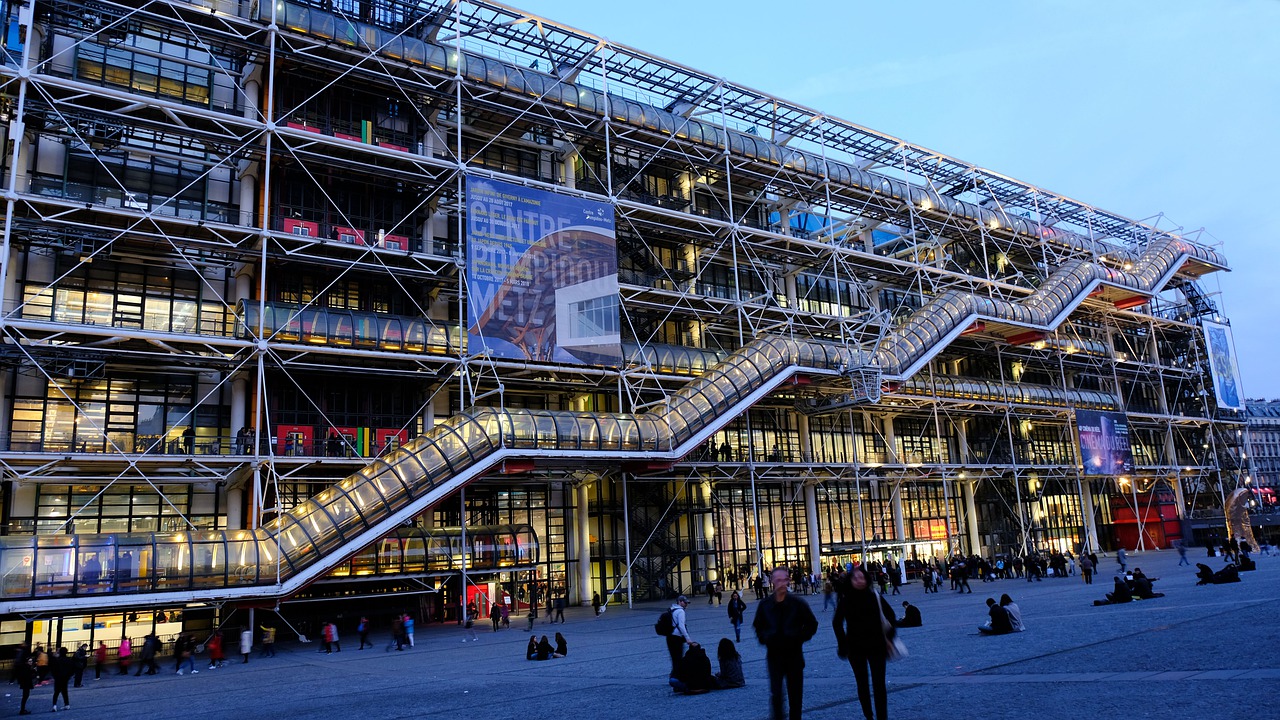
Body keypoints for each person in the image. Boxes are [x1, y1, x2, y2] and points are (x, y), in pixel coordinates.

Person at [754, 567, 819, 720]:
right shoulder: (765, 605)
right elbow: (758, 626)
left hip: (794, 655)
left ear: (788, 581)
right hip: (774, 656)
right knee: (776, 694)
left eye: (784, 579)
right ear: (772, 582)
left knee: (795, 695)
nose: (781, 583)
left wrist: (800, 637)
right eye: (778, 580)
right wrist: (765, 638)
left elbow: (812, 624)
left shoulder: (797, 603)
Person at [834, 565, 895, 720]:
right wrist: (843, 644)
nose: (859, 581)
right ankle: (868, 715)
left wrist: (889, 637)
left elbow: (891, 615)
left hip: (877, 645)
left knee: (879, 684)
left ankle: (882, 716)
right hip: (855, 648)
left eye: (862, 577)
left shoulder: (874, 596)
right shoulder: (846, 599)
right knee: (862, 683)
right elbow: (837, 622)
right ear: (850, 581)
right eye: (856, 578)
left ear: (867, 579)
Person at [664, 595, 694, 678]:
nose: (686, 604)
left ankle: (674, 675)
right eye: (684, 602)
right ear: (680, 602)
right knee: (678, 658)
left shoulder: (671, 609)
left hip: (669, 636)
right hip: (676, 637)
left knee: (674, 658)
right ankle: (676, 676)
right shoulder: (680, 611)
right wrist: (687, 638)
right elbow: (681, 626)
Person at [50, 647, 72, 712]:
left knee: (56, 692)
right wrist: (68, 676)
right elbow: (72, 669)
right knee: (65, 692)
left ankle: (54, 705)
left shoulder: (57, 660)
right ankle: (67, 704)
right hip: (65, 678)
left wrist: (55, 676)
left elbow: (53, 669)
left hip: (58, 678)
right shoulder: (68, 660)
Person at [14, 647, 33, 715]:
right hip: (26, 684)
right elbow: (27, 676)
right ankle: (22, 710)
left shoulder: (26, 667)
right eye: (30, 661)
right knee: (25, 696)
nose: (31, 663)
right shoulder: (27, 668)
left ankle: (22, 709)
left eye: (31, 661)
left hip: (25, 684)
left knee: (25, 696)